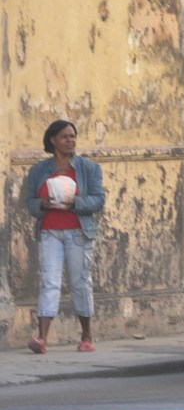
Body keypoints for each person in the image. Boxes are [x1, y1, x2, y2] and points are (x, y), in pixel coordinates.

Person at [25, 120, 106, 353]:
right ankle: (42, 339)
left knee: (80, 282)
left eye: (73, 136)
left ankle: (87, 335)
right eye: (64, 137)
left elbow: (98, 200)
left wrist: (76, 202)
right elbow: (29, 203)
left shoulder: (89, 169)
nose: (70, 140)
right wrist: (41, 203)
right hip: (49, 232)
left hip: (78, 232)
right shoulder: (38, 170)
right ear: (53, 140)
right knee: (49, 282)